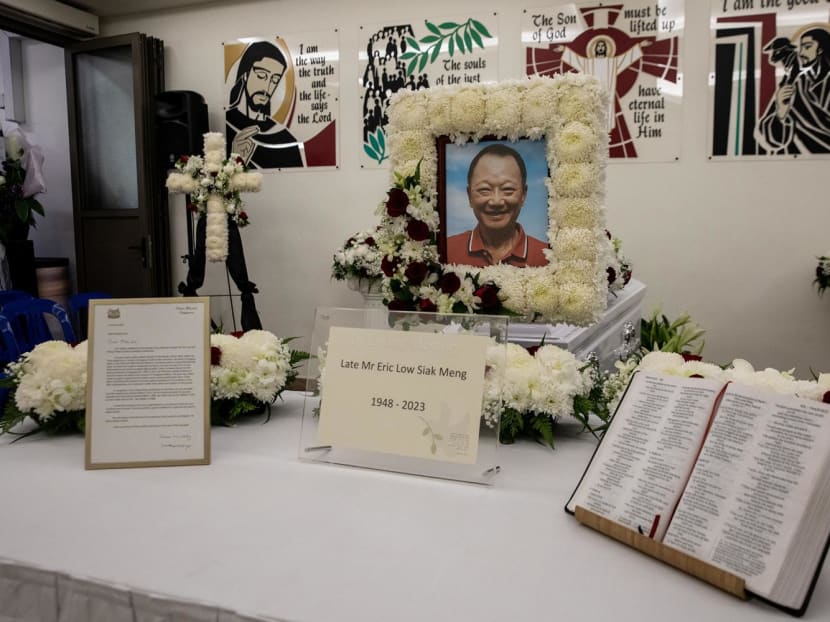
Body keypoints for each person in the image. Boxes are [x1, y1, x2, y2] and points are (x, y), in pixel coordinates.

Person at [445, 144, 548, 268]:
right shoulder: (446, 251)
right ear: (469, 196)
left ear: (523, 195)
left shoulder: (546, 256)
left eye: (508, 190)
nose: (496, 201)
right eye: (484, 190)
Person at [225, 40, 304, 168]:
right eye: (261, 75)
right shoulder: (225, 127)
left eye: (274, 80)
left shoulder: (286, 140)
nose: (267, 87)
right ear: (245, 74)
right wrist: (235, 160)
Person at [758, 27, 830, 154]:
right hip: (793, 162)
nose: (801, 53)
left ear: (820, 49)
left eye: (807, 47)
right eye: (801, 47)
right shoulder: (795, 83)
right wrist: (780, 112)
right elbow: (772, 140)